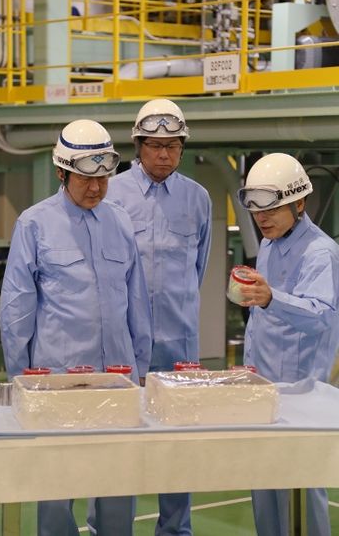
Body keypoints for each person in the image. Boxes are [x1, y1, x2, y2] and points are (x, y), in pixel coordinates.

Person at [0, 119, 153, 536]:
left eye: (103, 178)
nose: (97, 188)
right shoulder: (34, 224)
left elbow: (136, 303)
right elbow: (17, 311)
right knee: (57, 483)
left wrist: (139, 370)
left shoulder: (120, 223)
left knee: (118, 481)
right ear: (61, 173)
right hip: (58, 384)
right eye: (86, 178)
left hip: (118, 380)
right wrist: (21, 383)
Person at [88, 98, 212, 536]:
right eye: (155, 145)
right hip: (121, 347)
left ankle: (176, 530)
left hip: (179, 347)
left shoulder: (198, 200)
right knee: (116, 442)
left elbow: (199, 267)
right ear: (138, 146)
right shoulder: (110, 193)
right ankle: (109, 527)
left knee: (177, 447)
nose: (164, 154)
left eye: (173, 145)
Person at [237, 152, 339, 536]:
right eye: (256, 210)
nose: (262, 218)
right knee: (263, 483)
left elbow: (322, 316)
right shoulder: (269, 243)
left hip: (301, 393)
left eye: (272, 209)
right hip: (264, 389)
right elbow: (264, 316)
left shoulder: (320, 253)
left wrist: (270, 298)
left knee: (301, 487)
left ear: (299, 203)